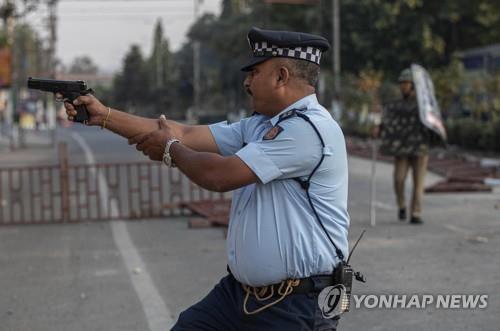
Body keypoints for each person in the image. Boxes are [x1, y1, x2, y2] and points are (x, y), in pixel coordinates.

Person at [62, 27, 350, 330]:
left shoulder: (308, 130)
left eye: (254, 72)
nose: (246, 82)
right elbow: (182, 132)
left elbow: (218, 176)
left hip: (295, 305)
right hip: (239, 296)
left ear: (281, 76)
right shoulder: (261, 125)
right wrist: (103, 114)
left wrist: (171, 150)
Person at [374, 68, 433, 225]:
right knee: (399, 179)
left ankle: (416, 213)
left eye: (406, 84)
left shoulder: (424, 105)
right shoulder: (396, 105)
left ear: (413, 85)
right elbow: (387, 119)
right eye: (401, 84)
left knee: (418, 183)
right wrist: (379, 128)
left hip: (420, 148)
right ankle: (402, 205)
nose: (403, 87)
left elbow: (433, 121)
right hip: (401, 148)